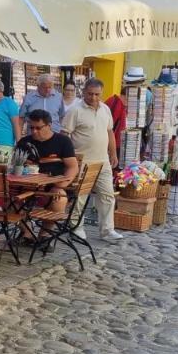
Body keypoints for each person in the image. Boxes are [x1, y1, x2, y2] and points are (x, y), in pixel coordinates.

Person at [63, 78, 121, 241]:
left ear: (101, 93)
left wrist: (113, 153)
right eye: (90, 94)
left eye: (97, 94)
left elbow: (109, 132)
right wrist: (70, 158)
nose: (93, 98)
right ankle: (76, 227)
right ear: (83, 92)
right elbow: (65, 134)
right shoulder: (75, 110)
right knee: (81, 195)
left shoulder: (105, 109)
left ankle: (107, 230)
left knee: (107, 195)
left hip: (103, 161)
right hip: (83, 161)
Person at [16, 110, 79, 217]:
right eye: (31, 128)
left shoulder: (63, 141)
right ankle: (27, 232)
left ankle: (45, 233)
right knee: (9, 200)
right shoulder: (24, 142)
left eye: (38, 128)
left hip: (53, 186)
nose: (34, 131)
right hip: (27, 186)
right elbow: (14, 166)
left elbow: (72, 167)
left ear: (49, 125)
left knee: (59, 198)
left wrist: (61, 186)